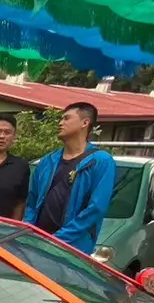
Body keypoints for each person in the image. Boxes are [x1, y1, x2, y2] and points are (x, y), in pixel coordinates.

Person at [24, 102, 116, 253]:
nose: (60, 123)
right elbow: (32, 202)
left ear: (85, 123)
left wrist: (59, 239)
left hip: (72, 248)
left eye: (66, 118)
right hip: (37, 243)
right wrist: (29, 231)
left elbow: (96, 208)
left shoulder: (100, 161)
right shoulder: (48, 161)